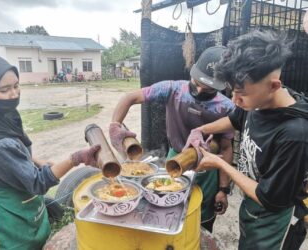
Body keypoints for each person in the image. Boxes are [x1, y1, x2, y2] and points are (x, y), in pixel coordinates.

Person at [0, 54, 100, 250]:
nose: (14, 94)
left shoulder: (0, 118)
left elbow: (16, 148)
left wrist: (38, 161)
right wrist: (75, 159)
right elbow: (38, 182)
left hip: (17, 203)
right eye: (4, 90)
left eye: (16, 86)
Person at [192, 30, 308, 249]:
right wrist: (200, 129)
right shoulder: (259, 100)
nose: (235, 101)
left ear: (274, 85)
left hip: (275, 218)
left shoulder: (295, 135)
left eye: (240, 94)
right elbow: (234, 120)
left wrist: (219, 162)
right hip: (253, 204)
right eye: (231, 92)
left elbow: (269, 198)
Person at [109, 46, 235, 232]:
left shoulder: (227, 108)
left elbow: (225, 149)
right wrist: (115, 125)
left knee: (201, 217)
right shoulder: (173, 89)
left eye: (207, 89)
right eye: (196, 82)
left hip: (207, 166)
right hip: (175, 159)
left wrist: (223, 190)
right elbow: (130, 97)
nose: (199, 90)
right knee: (168, 210)